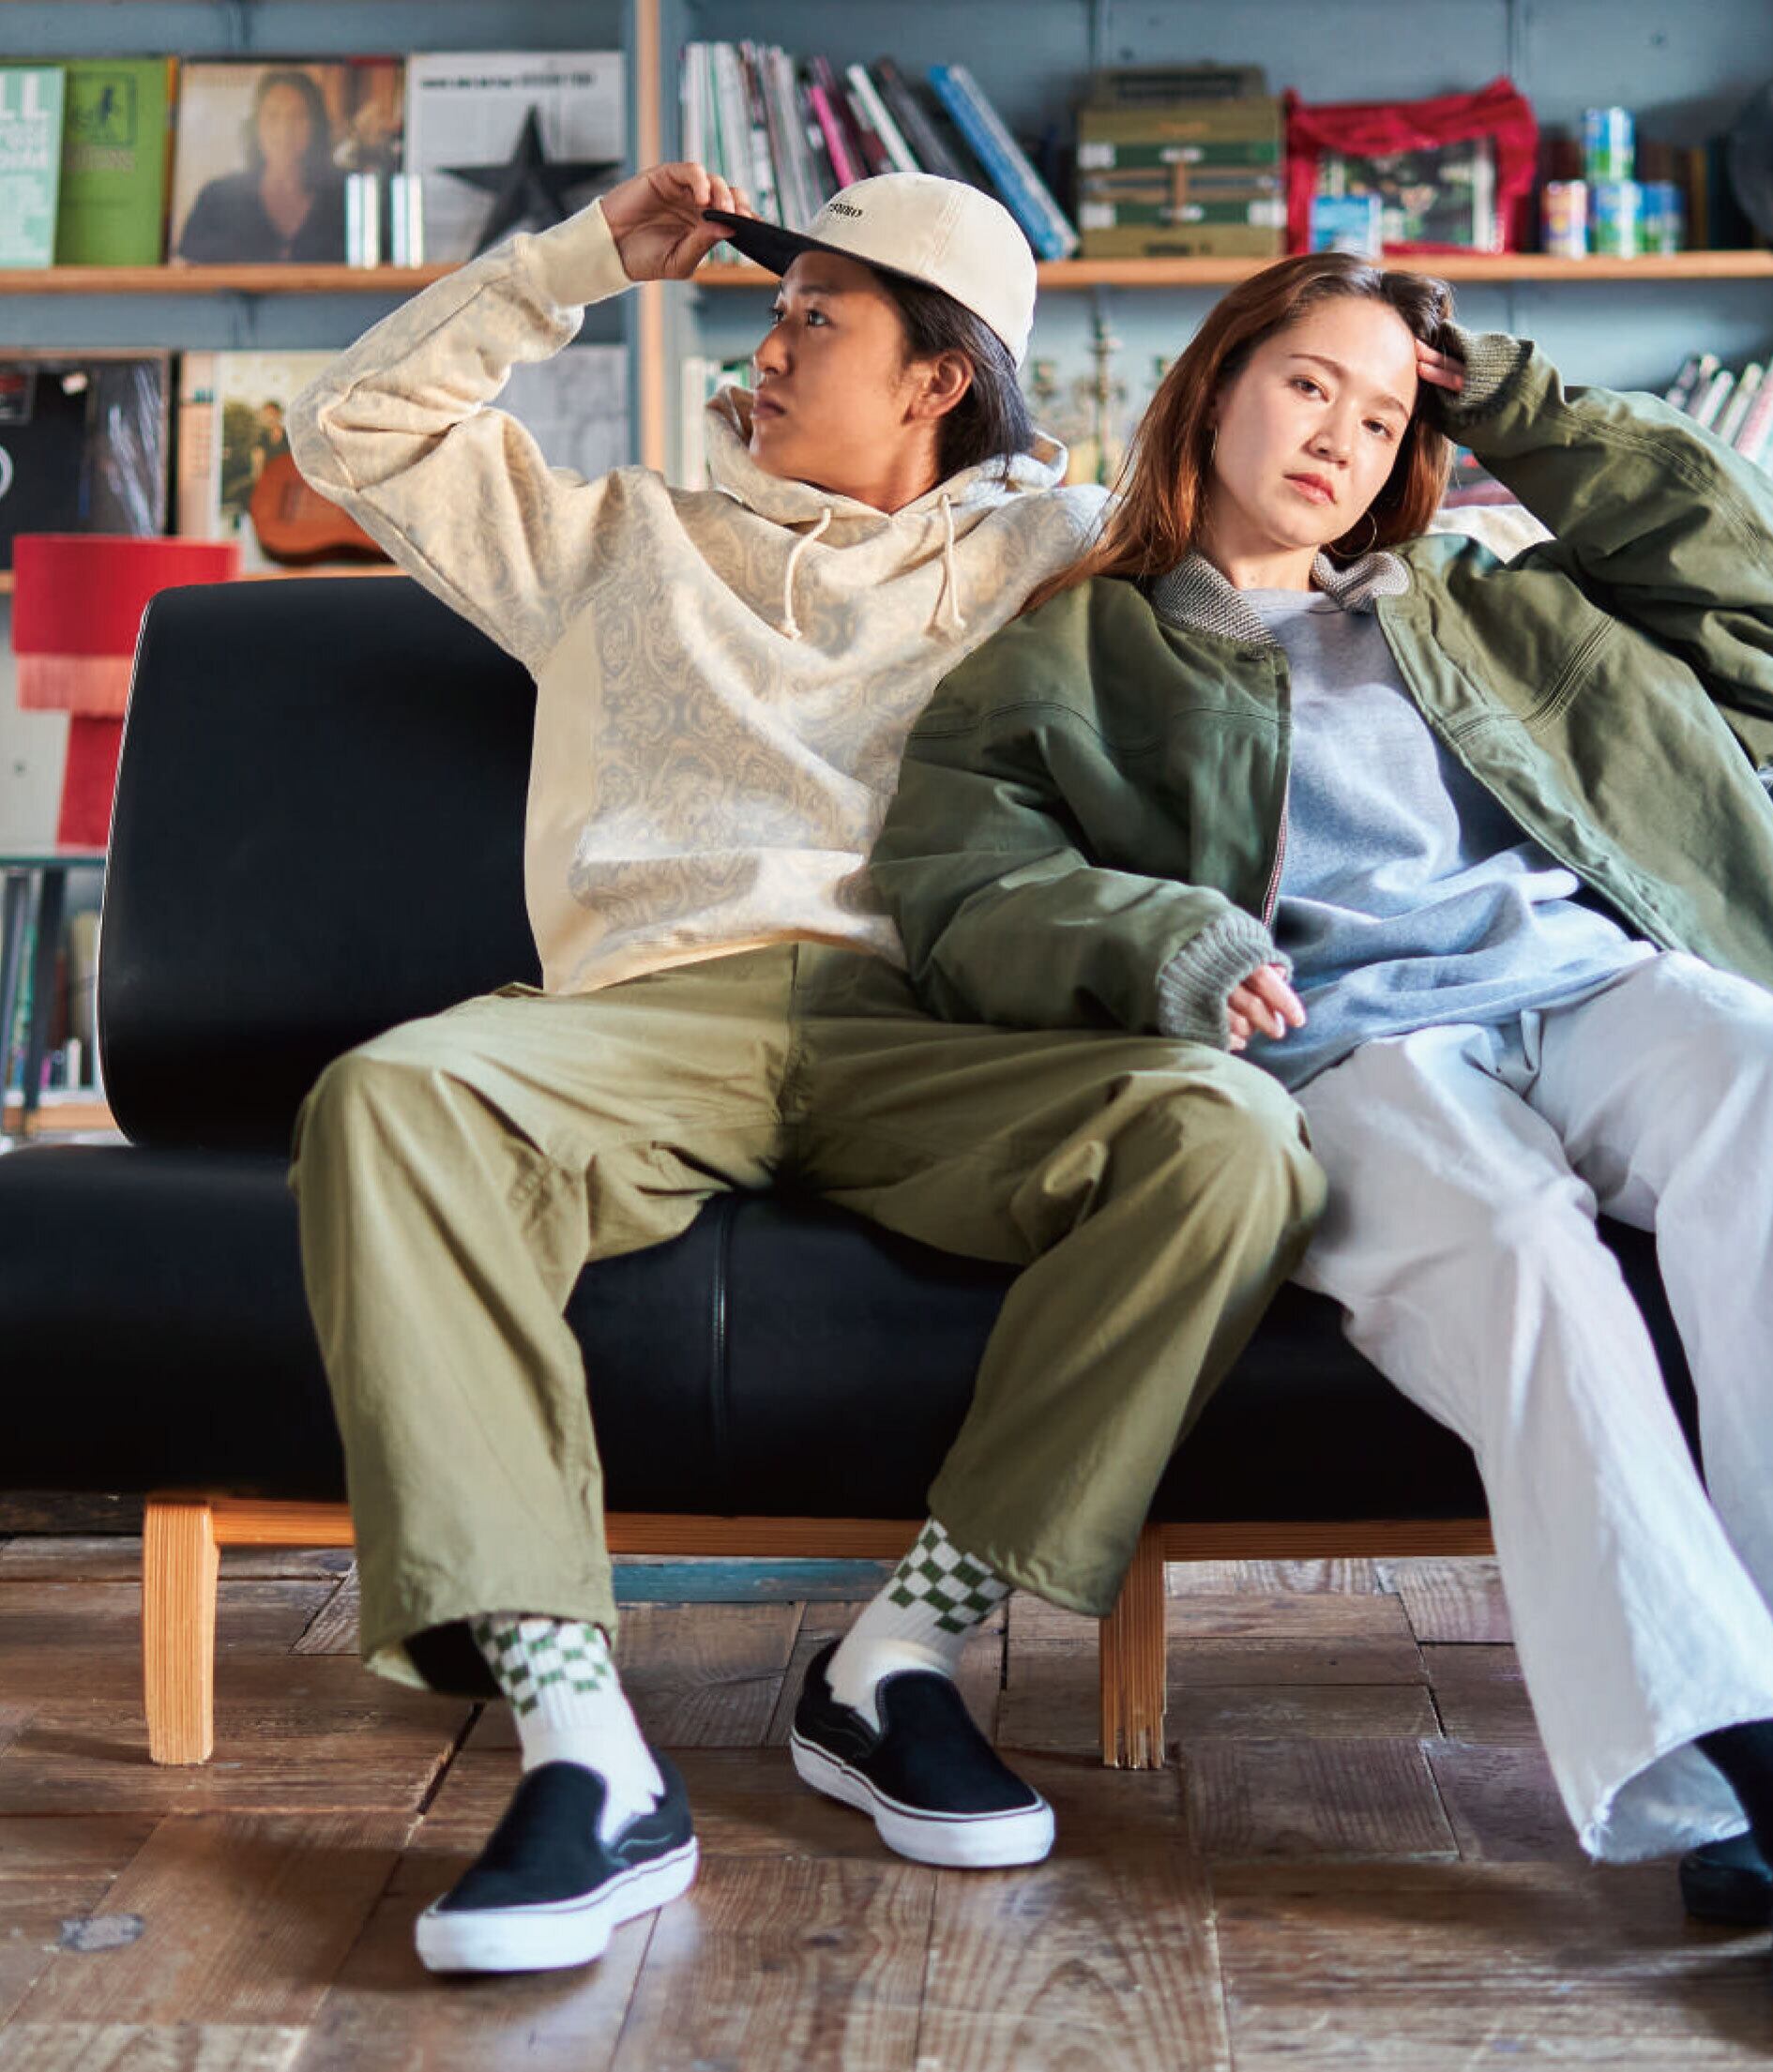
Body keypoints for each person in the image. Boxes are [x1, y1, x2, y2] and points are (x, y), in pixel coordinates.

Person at [870, 250, 1773, 2059]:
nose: (1339, 434)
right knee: (1516, 1247)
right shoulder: (1069, 649)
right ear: (1214, 385)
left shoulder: (1478, 594)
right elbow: (957, 889)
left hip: (1577, 982)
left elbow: (1764, 645)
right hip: (1347, 1048)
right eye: (1305, 383)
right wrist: (1167, 940)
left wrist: (1514, 401)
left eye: (1383, 409)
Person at [283, 165, 1325, 1976]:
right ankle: (580, 1742)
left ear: (937, 378)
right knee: (386, 1097)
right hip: (647, 1011)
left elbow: (1341, 543)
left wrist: (1763, 562)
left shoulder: (1063, 554)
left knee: (1228, 1133)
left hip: (940, 1027)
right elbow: (347, 429)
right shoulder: (614, 540)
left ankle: (899, 1653)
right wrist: (577, 262)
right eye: (768, 316)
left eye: (811, 321)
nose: (759, 351)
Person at [178, 68, 347, 265]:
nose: (285, 130)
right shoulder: (215, 198)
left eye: (298, 116)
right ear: (255, 126)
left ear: (317, 126)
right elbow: (188, 273)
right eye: (272, 116)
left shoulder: (344, 195)